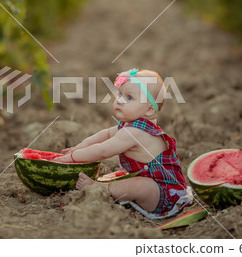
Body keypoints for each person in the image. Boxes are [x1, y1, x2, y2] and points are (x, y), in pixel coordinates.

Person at [55, 68, 193, 219]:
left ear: (149, 110)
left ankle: (101, 188)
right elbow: (105, 134)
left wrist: (73, 157)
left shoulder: (136, 132)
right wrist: (81, 146)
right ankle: (118, 190)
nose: (119, 100)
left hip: (164, 196)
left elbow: (103, 151)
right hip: (155, 188)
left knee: (140, 185)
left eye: (129, 98)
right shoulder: (131, 125)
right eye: (120, 94)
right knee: (135, 181)